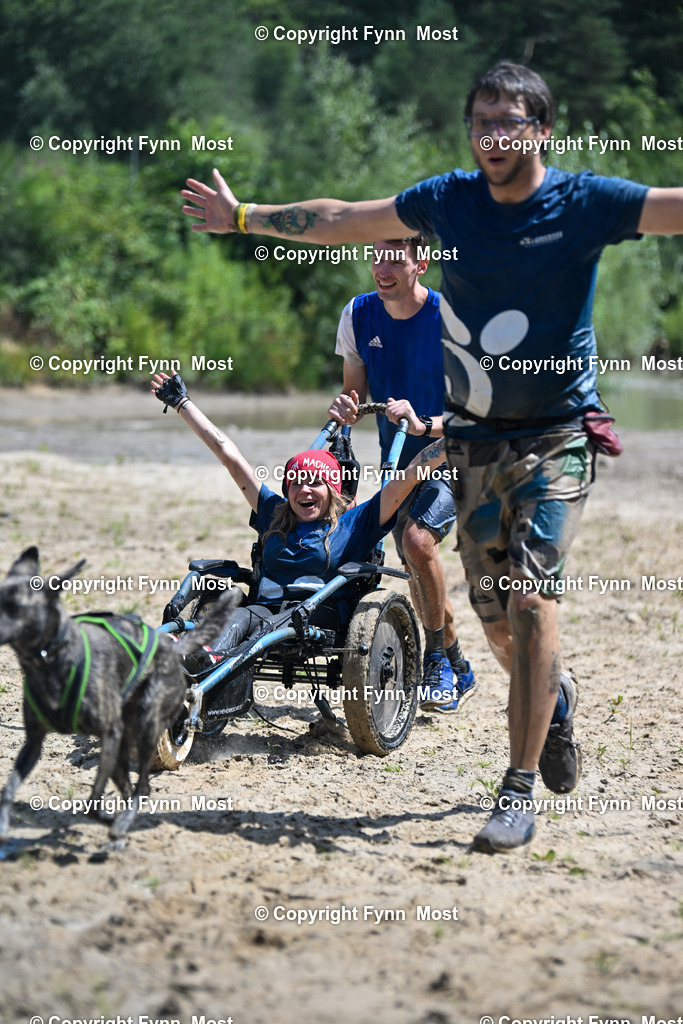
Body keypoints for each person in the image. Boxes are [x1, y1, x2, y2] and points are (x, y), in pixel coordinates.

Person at [180, 61, 683, 852]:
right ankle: (550, 701)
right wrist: (242, 215)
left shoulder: (585, 202)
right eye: (481, 121)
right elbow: (344, 217)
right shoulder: (448, 201)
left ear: (541, 130)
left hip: (557, 434)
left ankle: (515, 791)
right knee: (493, 622)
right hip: (471, 439)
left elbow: (671, 208)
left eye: (509, 121)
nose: (493, 135)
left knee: (529, 597)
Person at [150, 371, 449, 659]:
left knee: (266, 627)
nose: (304, 490)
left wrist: (463, 433)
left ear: (332, 490)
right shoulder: (274, 512)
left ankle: (210, 658)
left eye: (315, 483)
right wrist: (182, 403)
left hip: (314, 621)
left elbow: (412, 472)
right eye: (296, 482)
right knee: (239, 614)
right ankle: (191, 655)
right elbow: (228, 455)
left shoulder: (354, 524)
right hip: (261, 613)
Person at [327, 236, 476, 713]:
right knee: (416, 566)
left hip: (455, 454)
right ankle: (456, 662)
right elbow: (354, 394)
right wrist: (345, 410)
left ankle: (435, 664)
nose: (382, 266)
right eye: (377, 256)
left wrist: (424, 422)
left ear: (421, 264)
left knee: (416, 542)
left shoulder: (452, 316)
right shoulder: (357, 314)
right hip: (400, 465)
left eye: (396, 258)